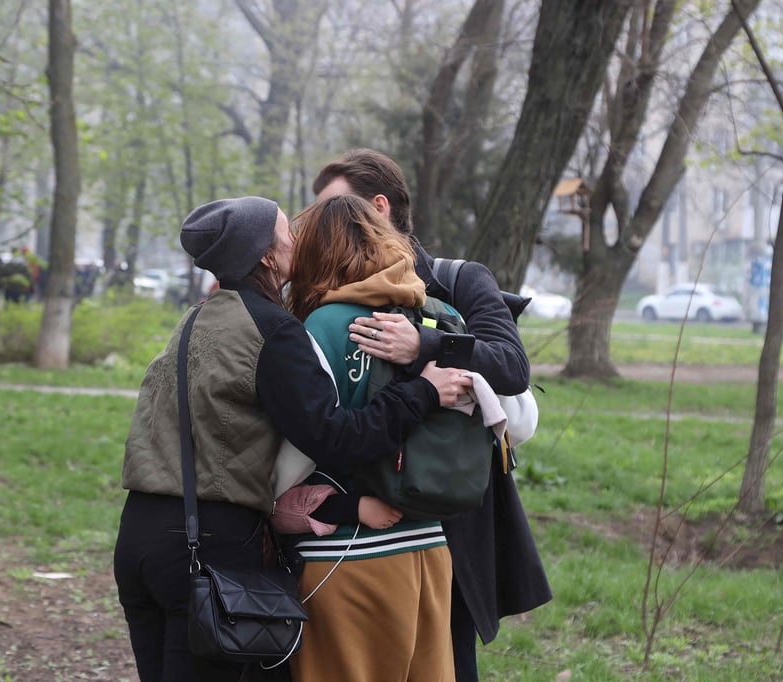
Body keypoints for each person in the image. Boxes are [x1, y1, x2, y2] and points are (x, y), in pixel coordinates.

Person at [112, 196, 472, 682]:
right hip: (206, 547)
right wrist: (424, 392)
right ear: (266, 255)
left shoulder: (196, 318)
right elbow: (337, 438)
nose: (297, 240)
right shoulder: (274, 331)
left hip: (139, 539)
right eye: (288, 232)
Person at [313, 148, 553, 682]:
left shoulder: (458, 280)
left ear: (379, 207)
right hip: (357, 535)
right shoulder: (326, 296)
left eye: (333, 210)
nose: (320, 227)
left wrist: (424, 344)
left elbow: (512, 367)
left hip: (451, 522)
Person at [284, 194, 465, 682]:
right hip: (429, 545)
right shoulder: (443, 318)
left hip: (345, 553)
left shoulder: (321, 325)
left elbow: (296, 454)